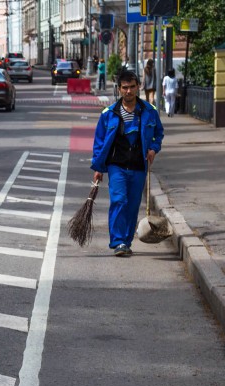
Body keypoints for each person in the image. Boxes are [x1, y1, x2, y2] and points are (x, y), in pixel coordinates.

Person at [91, 70, 164, 256]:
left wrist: (153, 149)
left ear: (138, 86)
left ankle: (126, 241)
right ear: (119, 89)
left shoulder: (149, 111)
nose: (129, 91)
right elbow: (99, 143)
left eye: (132, 87)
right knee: (119, 201)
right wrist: (98, 168)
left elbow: (159, 134)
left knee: (132, 205)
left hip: (139, 166)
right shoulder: (108, 114)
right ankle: (118, 241)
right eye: (125, 88)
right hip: (117, 166)